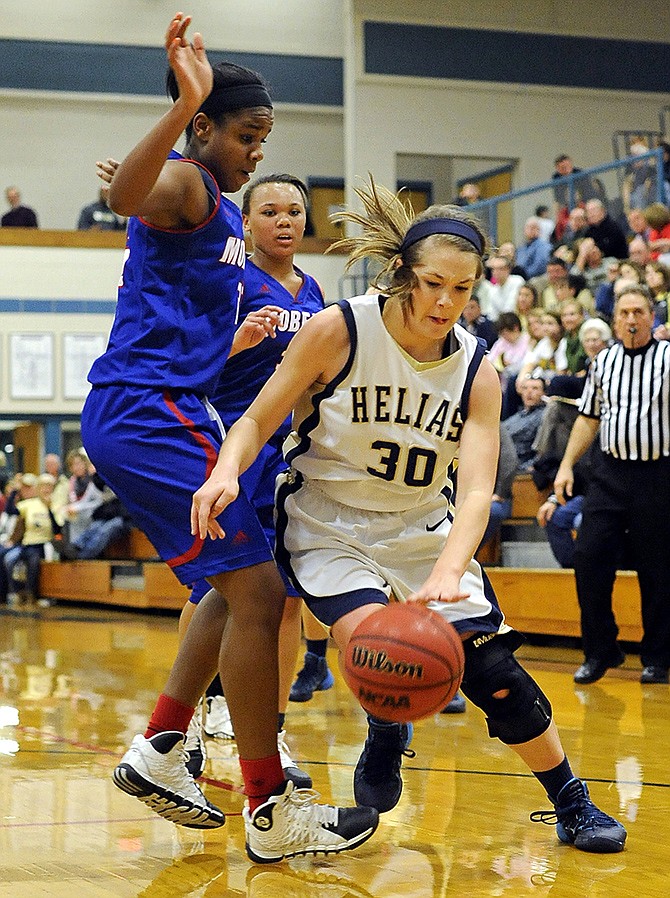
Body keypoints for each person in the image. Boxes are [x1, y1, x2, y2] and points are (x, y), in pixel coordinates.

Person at [192, 177, 627, 853]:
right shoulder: (339, 329)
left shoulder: (478, 370)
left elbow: (478, 488)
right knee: (382, 651)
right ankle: (390, 720)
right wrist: (224, 468)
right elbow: (256, 418)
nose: (447, 302)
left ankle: (571, 799)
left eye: (463, 289)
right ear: (402, 274)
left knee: (495, 677)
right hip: (330, 525)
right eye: (433, 284)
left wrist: (452, 569)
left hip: (421, 531)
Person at [80, 12, 377, 863]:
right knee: (261, 596)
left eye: (264, 140)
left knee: (229, 588)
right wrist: (184, 107)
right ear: (207, 127)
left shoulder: (218, 214)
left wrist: (230, 343)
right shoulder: (191, 183)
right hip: (148, 411)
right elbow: (128, 196)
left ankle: (163, 748)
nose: (256, 154)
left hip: (154, 413)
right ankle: (269, 805)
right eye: (248, 137)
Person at [183, 172, 330, 787]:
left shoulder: (316, 290)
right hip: (232, 452)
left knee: (287, 597)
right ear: (247, 223)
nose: (285, 220)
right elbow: (191, 367)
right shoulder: (231, 282)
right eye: (269, 211)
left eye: (294, 211)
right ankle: (184, 725)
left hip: (290, 458)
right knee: (210, 590)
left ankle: (271, 736)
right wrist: (239, 344)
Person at [554, 286, 670, 687]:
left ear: (652, 317)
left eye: (639, 311)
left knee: (657, 569)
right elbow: (588, 418)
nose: (632, 319)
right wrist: (567, 465)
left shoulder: (668, 359)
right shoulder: (603, 362)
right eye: (624, 313)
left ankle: (657, 658)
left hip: (658, 476)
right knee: (588, 557)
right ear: (615, 319)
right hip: (610, 474)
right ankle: (601, 650)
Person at [503, 373, 546, 471]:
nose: (529, 392)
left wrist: (526, 468)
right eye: (525, 388)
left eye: (535, 388)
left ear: (544, 393)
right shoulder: (516, 416)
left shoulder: (544, 416)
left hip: (521, 470)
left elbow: (543, 451)